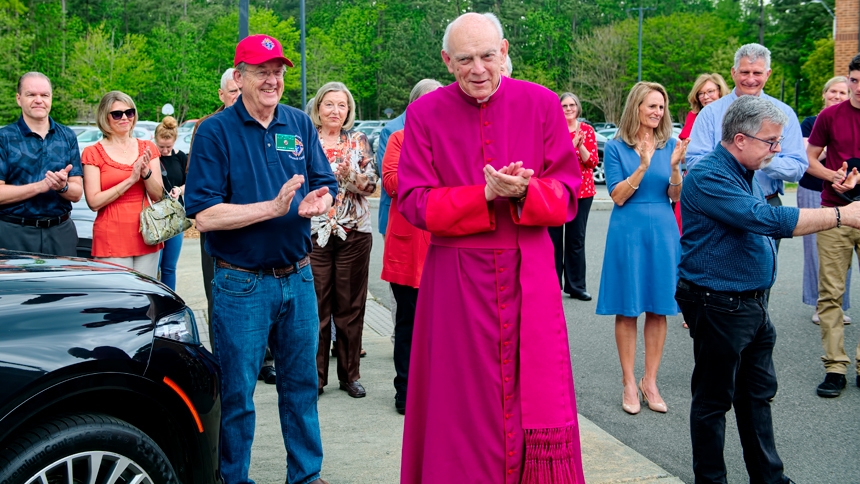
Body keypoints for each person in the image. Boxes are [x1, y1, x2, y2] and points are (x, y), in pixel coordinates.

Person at [397, 12, 585, 482]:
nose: (478, 68)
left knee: (532, 398)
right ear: (447, 61)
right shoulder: (424, 113)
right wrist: (482, 195)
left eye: (486, 56)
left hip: (529, 270)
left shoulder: (542, 104)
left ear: (503, 52)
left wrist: (524, 192)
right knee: (457, 402)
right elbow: (413, 202)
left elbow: (567, 192)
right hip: (455, 280)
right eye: (465, 59)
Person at [676, 94, 860, 484]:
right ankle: (711, 480)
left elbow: (781, 200)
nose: (777, 150)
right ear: (740, 139)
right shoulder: (710, 174)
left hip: (750, 304)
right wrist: (842, 215)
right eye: (771, 142)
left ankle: (769, 478)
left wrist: (841, 190)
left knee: (756, 396)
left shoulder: (746, 170)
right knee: (713, 402)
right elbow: (766, 219)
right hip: (720, 303)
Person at [185, 34, 336, 484]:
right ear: (240, 76)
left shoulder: (297, 124)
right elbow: (204, 213)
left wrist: (318, 202)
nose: (273, 80)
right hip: (240, 284)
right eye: (262, 71)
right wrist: (272, 208)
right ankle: (234, 478)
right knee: (237, 395)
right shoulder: (215, 131)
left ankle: (306, 476)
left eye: (278, 71)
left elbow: (324, 183)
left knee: (302, 388)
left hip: (299, 277)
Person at [596, 82, 688, 415]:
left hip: (663, 230)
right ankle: (628, 382)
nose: (657, 112)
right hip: (628, 231)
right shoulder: (618, 147)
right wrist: (643, 165)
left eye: (661, 107)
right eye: (651, 106)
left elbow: (675, 197)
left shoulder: (670, 144)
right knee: (627, 307)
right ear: (636, 107)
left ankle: (650, 381)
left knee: (658, 307)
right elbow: (618, 196)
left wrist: (675, 167)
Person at [309, 82, 378, 399]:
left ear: (348, 110)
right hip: (315, 232)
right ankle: (316, 376)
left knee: (350, 306)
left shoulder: (358, 140)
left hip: (354, 232)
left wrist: (349, 176)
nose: (335, 111)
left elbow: (372, 184)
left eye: (342, 105)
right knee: (317, 305)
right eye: (329, 104)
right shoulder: (307, 138)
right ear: (318, 107)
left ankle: (350, 374)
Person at [380, 78, 442, 415]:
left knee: (442, 323)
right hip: (408, 248)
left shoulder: (451, 139)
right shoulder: (399, 139)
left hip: (445, 245)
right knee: (409, 322)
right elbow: (392, 183)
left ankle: (437, 387)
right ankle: (405, 390)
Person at [687, 43, 806, 219]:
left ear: (768, 74)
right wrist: (732, 162)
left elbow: (797, 168)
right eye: (744, 72)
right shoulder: (710, 113)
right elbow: (694, 161)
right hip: (719, 207)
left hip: (767, 205)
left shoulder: (785, 113)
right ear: (733, 72)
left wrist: (763, 161)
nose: (750, 79)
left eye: (757, 73)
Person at [804, 54, 860, 397]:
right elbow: (809, 159)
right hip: (836, 213)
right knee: (830, 295)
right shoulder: (829, 116)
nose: (858, 89)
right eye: (854, 81)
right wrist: (833, 176)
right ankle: (835, 367)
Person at [82, 91, 164, 278]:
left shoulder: (148, 148)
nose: (125, 118)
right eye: (117, 114)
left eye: (130, 112)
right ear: (105, 118)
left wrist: (146, 174)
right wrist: (130, 179)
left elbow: (158, 196)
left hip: (146, 232)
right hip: (112, 235)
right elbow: (94, 202)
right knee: (119, 300)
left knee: (146, 297)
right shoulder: (92, 152)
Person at [0, 72, 83, 256]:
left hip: (60, 232)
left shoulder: (67, 136)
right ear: (19, 99)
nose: (39, 100)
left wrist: (62, 187)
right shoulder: (4, 138)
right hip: (13, 232)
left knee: (63, 285)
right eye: (31, 94)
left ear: (51, 98)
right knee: (16, 286)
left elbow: (77, 193)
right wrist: (40, 186)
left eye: (44, 95)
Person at [189, 67, 241, 336]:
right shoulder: (207, 127)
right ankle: (222, 356)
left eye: (242, 90)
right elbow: (195, 178)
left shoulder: (261, 124)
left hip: (253, 223)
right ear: (222, 94)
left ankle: (265, 358)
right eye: (233, 91)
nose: (239, 96)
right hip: (216, 223)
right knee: (217, 290)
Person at [798, 76, 851, 325]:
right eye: (833, 92)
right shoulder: (811, 122)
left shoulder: (852, 121)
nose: (837, 96)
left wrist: (826, 150)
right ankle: (819, 304)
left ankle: (838, 305)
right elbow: (807, 157)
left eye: (843, 92)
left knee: (842, 251)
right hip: (812, 190)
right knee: (815, 250)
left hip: (845, 195)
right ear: (824, 94)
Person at [549, 92, 598, 301]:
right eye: (564, 106)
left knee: (575, 240)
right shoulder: (554, 129)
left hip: (582, 192)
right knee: (553, 239)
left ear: (577, 107)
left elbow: (592, 162)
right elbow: (553, 161)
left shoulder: (587, 130)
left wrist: (580, 146)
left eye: (571, 105)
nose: (568, 109)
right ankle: (551, 285)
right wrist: (570, 146)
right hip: (558, 191)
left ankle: (576, 285)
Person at [153, 116, 187, 290]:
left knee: (169, 267)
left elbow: (191, 182)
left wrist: (179, 190)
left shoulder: (181, 157)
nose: (165, 151)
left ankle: (169, 302)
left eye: (169, 147)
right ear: (155, 140)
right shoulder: (152, 158)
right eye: (161, 147)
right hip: (155, 216)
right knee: (153, 266)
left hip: (174, 214)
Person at [678, 73, 730, 140]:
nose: (705, 97)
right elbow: (685, 143)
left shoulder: (732, 113)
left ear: (720, 91)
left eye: (710, 91)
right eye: (701, 93)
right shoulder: (694, 115)